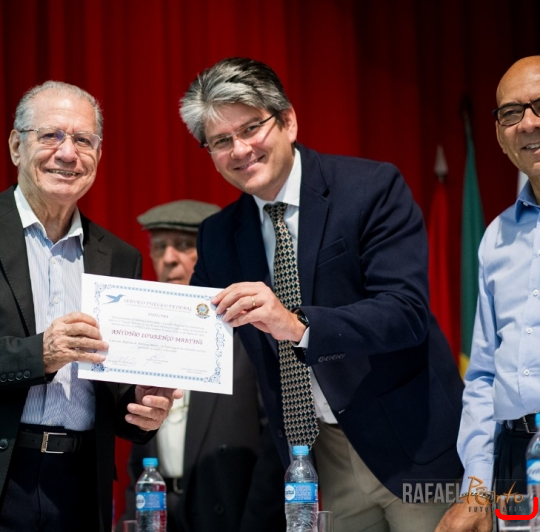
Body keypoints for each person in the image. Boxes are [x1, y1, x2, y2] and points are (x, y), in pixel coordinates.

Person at [178, 57, 464, 532]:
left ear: (288, 121)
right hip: (318, 460)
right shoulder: (218, 235)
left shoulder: (371, 188)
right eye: (221, 141)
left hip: (412, 444)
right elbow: (193, 332)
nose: (240, 149)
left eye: (251, 128)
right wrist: (146, 377)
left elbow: (405, 312)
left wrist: (297, 325)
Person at [0, 81, 180, 532]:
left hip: (78, 490)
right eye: (51, 136)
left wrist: (140, 408)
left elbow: (111, 383)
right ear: (15, 146)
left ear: (99, 154)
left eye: (83, 140)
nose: (68, 153)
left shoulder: (120, 257)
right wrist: (35, 355)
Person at [118, 200, 286, 531]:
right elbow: (138, 449)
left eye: (183, 246)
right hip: (161, 511)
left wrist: (257, 522)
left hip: (233, 514)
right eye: (159, 247)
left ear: (209, 252)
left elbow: (275, 437)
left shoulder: (247, 330)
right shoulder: (144, 332)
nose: (168, 259)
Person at [436, 55, 540, 532]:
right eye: (512, 113)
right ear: (499, 136)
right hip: (514, 467)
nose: (529, 123)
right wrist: (476, 489)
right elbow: (481, 377)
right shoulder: (496, 237)